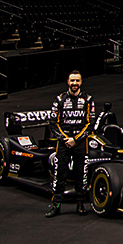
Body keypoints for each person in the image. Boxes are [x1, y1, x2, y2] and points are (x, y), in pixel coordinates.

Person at [47, 70, 95, 218]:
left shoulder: (88, 99)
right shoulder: (59, 99)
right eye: (72, 81)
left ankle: (80, 204)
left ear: (81, 82)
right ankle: (56, 205)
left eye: (77, 81)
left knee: (80, 174)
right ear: (68, 82)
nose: (75, 83)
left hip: (80, 143)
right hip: (63, 143)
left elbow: (91, 123)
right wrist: (65, 139)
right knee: (60, 174)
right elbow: (53, 123)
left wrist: (77, 139)